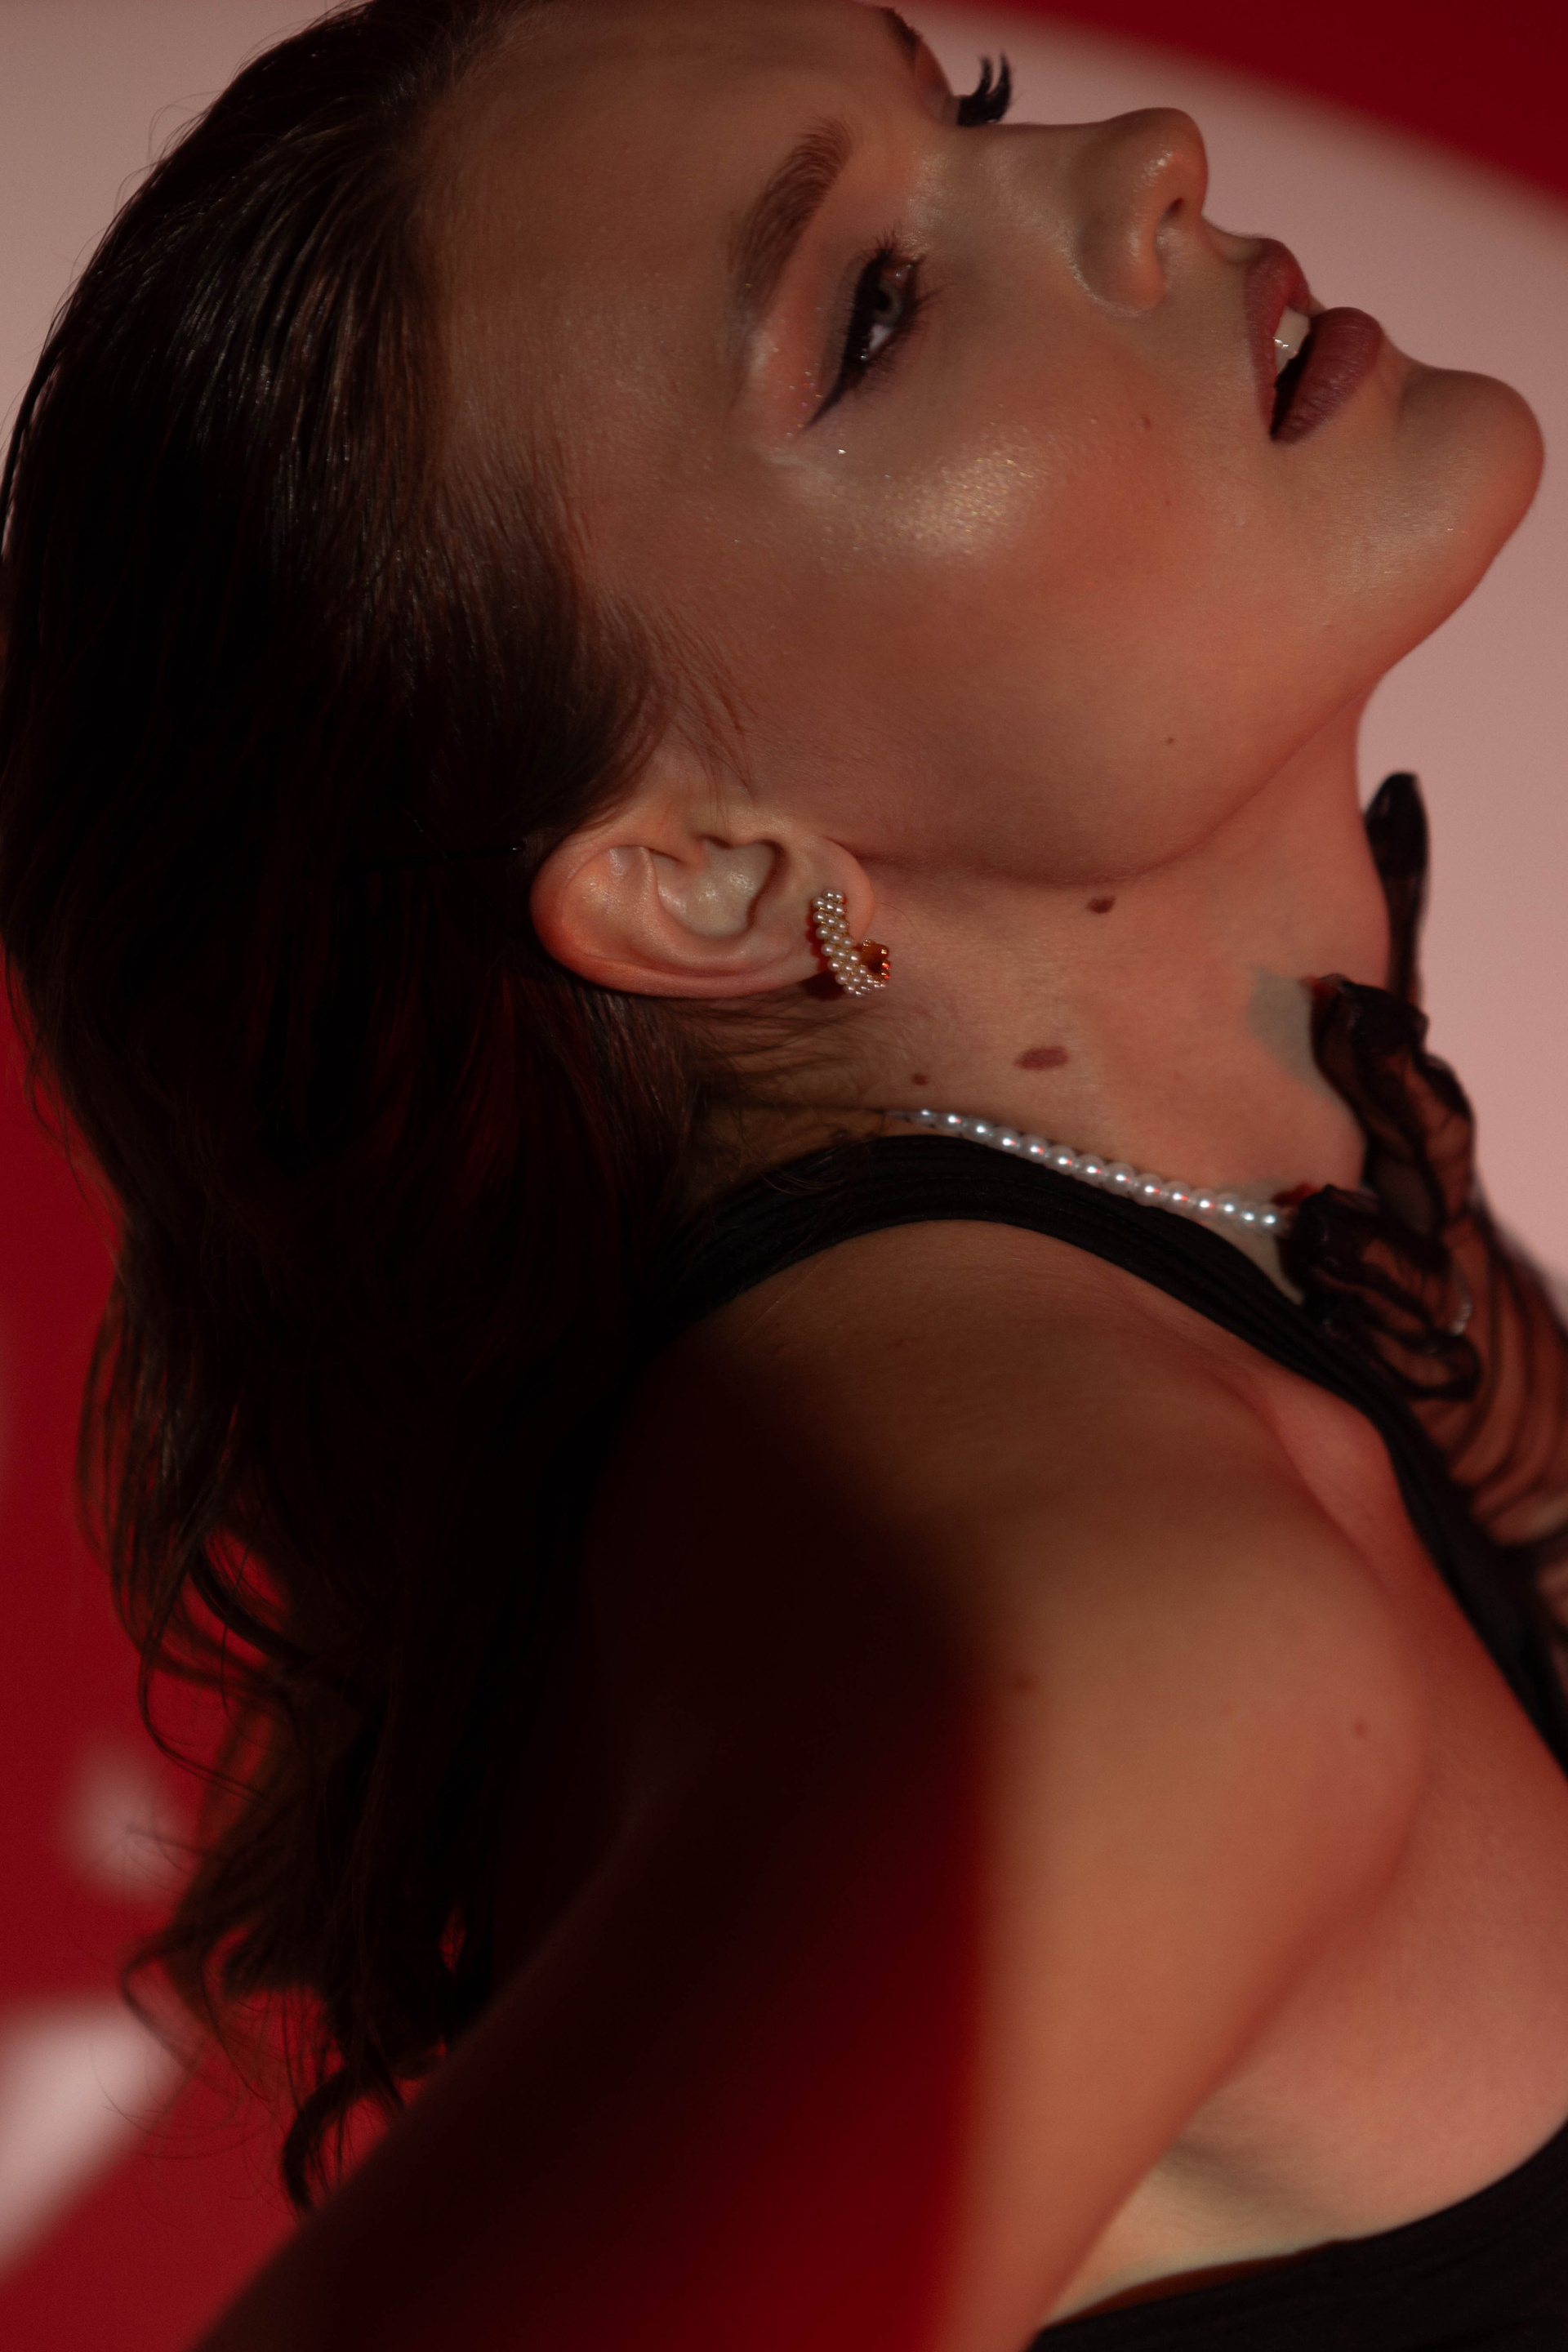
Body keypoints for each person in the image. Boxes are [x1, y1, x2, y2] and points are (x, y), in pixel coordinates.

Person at [4, 0, 1568, 2343]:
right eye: (877, 311)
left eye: (971, 108)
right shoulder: (1127, 1595)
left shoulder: (1205, 1275)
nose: (1146, 152)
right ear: (715, 879)